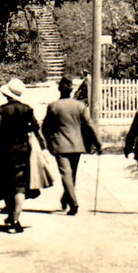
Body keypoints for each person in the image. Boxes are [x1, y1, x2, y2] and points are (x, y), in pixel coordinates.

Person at [0, 78, 44, 233]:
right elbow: (35, 127)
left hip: (5, 150)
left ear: (6, 94)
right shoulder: (27, 109)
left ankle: (11, 215)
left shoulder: (0, 110)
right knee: (20, 186)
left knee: (6, 184)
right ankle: (15, 219)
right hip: (22, 150)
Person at [42, 76, 101, 215]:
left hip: (60, 145)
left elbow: (45, 128)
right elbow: (90, 125)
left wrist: (48, 142)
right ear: (71, 90)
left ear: (59, 89)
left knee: (66, 174)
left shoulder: (53, 106)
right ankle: (67, 198)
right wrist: (98, 143)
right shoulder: (80, 106)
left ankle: (73, 203)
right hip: (77, 145)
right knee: (71, 174)